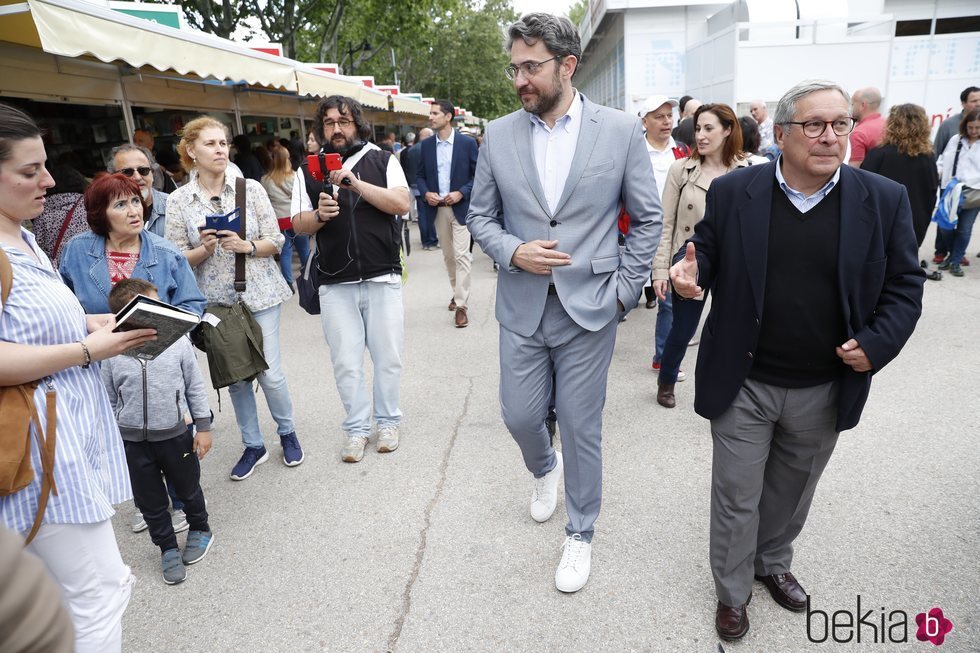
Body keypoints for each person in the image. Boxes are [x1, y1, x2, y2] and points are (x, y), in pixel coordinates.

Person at [668, 80, 925, 641]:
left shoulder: (881, 199)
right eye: (814, 125)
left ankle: (772, 561)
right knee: (737, 494)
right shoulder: (738, 191)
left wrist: (878, 343)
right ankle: (732, 593)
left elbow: (905, 285)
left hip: (825, 383)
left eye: (839, 124)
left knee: (790, 492)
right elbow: (706, 250)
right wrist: (691, 275)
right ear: (781, 134)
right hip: (745, 379)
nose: (830, 137)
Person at [467, 13, 662, 593]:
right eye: (515, 68)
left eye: (532, 67)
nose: (520, 79)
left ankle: (581, 533)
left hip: (592, 305)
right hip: (522, 303)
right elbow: (480, 215)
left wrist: (626, 290)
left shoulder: (621, 130)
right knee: (521, 416)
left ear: (567, 65)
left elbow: (646, 218)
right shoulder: (498, 134)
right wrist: (512, 251)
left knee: (581, 425)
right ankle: (542, 468)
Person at [0, 101, 158, 652]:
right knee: (99, 593)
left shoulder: (23, 237)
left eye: (43, 165)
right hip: (40, 449)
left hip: (59, 439)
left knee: (63, 598)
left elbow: (29, 324)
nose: (47, 180)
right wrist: (86, 348)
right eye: (29, 171)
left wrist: (88, 322)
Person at [166, 116, 304, 480]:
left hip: (259, 293)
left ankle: (287, 432)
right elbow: (175, 259)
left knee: (270, 373)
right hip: (215, 302)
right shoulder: (180, 201)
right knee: (239, 378)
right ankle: (253, 444)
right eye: (210, 144)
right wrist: (203, 250)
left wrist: (248, 246)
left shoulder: (250, 189)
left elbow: (277, 240)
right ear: (191, 151)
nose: (220, 149)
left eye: (223, 143)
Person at [290, 95, 409, 463]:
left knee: (388, 357)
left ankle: (388, 421)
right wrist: (320, 216)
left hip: (382, 276)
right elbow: (297, 223)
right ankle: (357, 429)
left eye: (343, 121)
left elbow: (401, 204)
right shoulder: (306, 170)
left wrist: (356, 185)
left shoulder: (382, 159)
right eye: (329, 123)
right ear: (320, 128)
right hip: (334, 282)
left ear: (357, 123)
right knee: (346, 361)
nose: (337, 129)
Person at [101, 278, 214, 585]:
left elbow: (195, 385)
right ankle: (166, 547)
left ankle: (200, 527)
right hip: (133, 441)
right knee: (149, 501)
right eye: (153, 304)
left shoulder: (177, 342)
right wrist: (114, 439)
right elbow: (109, 398)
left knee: (188, 487)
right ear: (129, 313)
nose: (162, 308)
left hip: (175, 433)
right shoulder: (111, 351)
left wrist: (202, 426)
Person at [652, 103, 748, 409]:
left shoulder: (747, 172)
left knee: (729, 330)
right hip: (690, 261)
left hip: (733, 263)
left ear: (728, 130)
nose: (701, 136)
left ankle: (726, 387)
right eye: (698, 129)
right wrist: (659, 270)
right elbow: (665, 223)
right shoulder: (681, 169)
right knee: (682, 330)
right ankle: (666, 379)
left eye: (709, 128)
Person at [58, 174, 205, 316]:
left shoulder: (167, 253)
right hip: (98, 340)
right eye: (120, 205)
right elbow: (66, 304)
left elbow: (192, 305)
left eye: (135, 201)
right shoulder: (77, 249)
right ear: (100, 213)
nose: (134, 212)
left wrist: (163, 332)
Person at [417, 100, 480, 328]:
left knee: (463, 256)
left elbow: (478, 176)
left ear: (448, 116)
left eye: (435, 113)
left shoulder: (467, 144)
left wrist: (462, 193)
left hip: (461, 208)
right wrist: (426, 194)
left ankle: (462, 306)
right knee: (449, 257)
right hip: (439, 209)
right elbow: (420, 177)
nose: (431, 117)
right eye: (431, 113)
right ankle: (457, 291)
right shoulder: (425, 146)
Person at [861, 104, 940, 252]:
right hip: (915, 222)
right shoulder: (928, 157)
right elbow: (932, 192)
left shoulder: (878, 154)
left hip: (880, 223)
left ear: (892, 124)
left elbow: (862, 192)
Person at [637, 94, 686, 309]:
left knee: (669, 302)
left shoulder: (682, 151)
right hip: (638, 232)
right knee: (625, 296)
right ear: (644, 122)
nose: (667, 121)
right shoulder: (634, 151)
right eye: (659, 117)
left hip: (672, 234)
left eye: (669, 115)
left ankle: (667, 342)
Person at [935, 108, 980, 277]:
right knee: (945, 226)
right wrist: (939, 173)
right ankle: (954, 256)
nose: (974, 131)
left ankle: (955, 261)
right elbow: (943, 159)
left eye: (978, 127)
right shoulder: (956, 140)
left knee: (964, 229)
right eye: (971, 127)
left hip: (975, 192)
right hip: (952, 188)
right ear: (965, 126)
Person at [261, 144, 309, 290]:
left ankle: (288, 282)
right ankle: (309, 278)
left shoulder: (265, 179)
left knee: (285, 253)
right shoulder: (295, 177)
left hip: (279, 221)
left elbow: (266, 202)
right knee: (304, 250)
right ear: (288, 159)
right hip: (297, 219)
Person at [28, 162, 88, 266]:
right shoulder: (88, 205)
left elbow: (38, 248)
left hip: (61, 270)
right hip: (90, 261)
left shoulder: (41, 212)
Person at [107, 144, 170, 238]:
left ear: (152, 174)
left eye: (143, 170)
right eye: (127, 172)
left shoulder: (174, 205)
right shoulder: (106, 212)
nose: (137, 177)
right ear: (112, 177)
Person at [407, 127, 436, 248]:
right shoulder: (429, 149)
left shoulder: (411, 150)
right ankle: (432, 239)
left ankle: (425, 242)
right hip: (427, 186)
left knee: (422, 214)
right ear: (429, 136)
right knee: (430, 214)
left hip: (415, 186)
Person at [848, 86, 884, 166]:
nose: (850, 109)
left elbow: (855, 169)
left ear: (863, 105)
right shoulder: (891, 125)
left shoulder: (859, 133)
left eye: (852, 104)